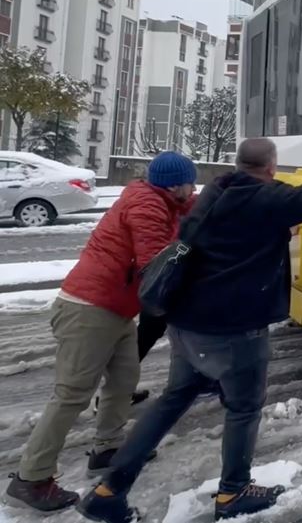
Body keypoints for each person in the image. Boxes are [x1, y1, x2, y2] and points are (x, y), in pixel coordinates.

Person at [77, 138, 302, 523]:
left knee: (172, 399)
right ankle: (233, 491)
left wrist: (273, 235)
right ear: (271, 168)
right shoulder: (267, 199)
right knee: (243, 408)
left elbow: (236, 234)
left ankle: (109, 490)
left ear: (238, 164)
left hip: (188, 323)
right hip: (233, 328)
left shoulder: (216, 193)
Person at [4, 152, 197, 513]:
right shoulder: (147, 208)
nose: (192, 189)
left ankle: (107, 448)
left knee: (124, 380)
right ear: (176, 185)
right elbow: (158, 264)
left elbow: (195, 210)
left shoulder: (163, 201)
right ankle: (30, 478)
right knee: (72, 395)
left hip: (115, 309)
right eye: (190, 182)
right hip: (88, 309)